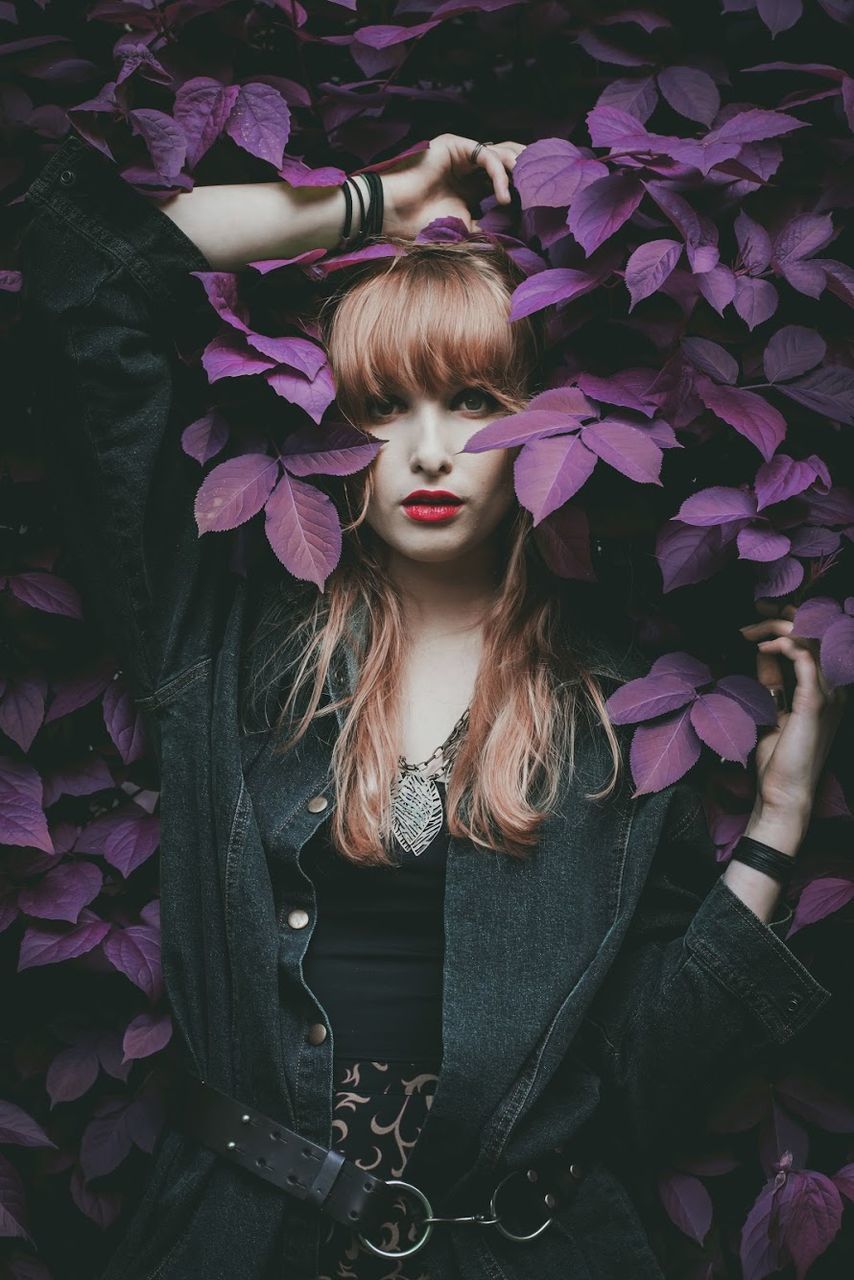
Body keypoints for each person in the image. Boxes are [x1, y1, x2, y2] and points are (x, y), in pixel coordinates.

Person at [17, 129, 845, 1280]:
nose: (426, 451)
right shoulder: (225, 638)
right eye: (379, 406)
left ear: (538, 425)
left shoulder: (618, 707)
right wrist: (366, 203)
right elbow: (84, 276)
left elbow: (649, 1085)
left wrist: (777, 818)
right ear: (332, 431)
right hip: (245, 1241)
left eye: (470, 399)